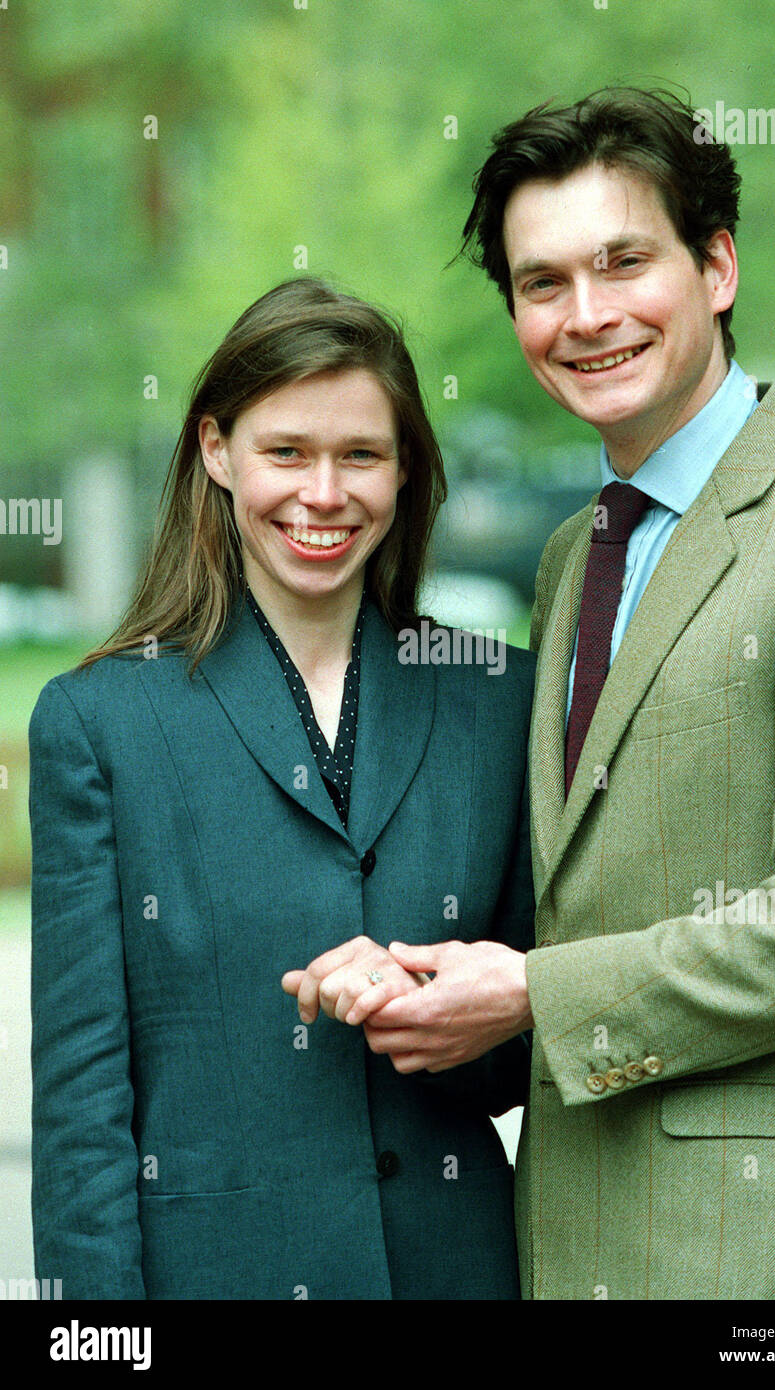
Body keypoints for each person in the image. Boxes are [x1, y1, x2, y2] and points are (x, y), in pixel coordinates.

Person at [313, 87, 775, 1300]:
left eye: (623, 263)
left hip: (770, 1256)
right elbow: (592, 881)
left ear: (717, 267)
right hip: (574, 1235)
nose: (585, 318)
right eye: (540, 283)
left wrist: (535, 991)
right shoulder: (574, 551)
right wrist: (425, 975)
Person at [29, 275, 535, 1300]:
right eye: (286, 452)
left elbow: (535, 1049)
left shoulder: (499, 699)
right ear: (217, 451)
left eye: (361, 454)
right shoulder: (100, 723)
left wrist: (439, 1010)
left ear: (403, 473)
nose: (323, 492)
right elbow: (83, 1104)